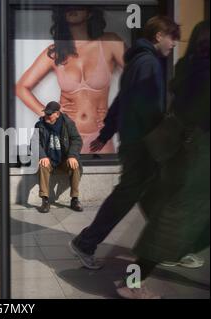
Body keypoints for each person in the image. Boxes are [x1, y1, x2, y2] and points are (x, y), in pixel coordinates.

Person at [68, 16, 180, 275]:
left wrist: (106, 132)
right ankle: (85, 242)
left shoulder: (140, 62)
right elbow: (144, 107)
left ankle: (171, 246)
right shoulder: (149, 63)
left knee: (153, 195)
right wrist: (160, 141)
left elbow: (120, 100)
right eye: (172, 37)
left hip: (137, 143)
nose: (174, 43)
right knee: (126, 196)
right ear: (159, 36)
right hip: (142, 145)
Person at [117, 20, 210, 299]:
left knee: (176, 223)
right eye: (170, 37)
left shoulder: (189, 66)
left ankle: (179, 250)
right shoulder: (199, 71)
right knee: (169, 224)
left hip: (189, 155)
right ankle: (131, 283)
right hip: (196, 159)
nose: (172, 43)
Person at [16, 6, 125, 154]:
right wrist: (49, 114)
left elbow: (139, 80)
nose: (72, 8)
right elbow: (21, 87)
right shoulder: (55, 52)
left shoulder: (109, 43)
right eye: (67, 5)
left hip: (99, 137)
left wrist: (117, 115)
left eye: (79, 4)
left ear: (90, 11)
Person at [34, 101, 83, 213]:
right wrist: (42, 156)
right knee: (43, 165)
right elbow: (34, 142)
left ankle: (75, 199)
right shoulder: (40, 125)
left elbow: (77, 139)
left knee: (75, 166)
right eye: (46, 113)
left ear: (57, 114)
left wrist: (72, 155)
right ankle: (45, 200)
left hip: (64, 159)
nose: (47, 116)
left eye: (49, 114)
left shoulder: (68, 124)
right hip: (49, 159)